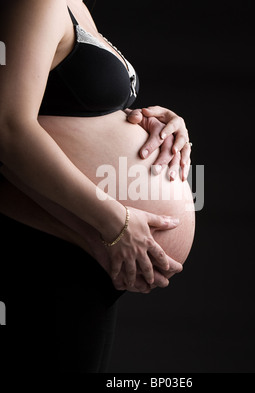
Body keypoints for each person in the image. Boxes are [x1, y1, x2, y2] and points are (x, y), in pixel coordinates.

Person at [0, 0, 195, 372]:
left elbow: (65, 103)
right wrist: (115, 222)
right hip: (47, 246)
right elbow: (7, 127)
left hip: (84, 251)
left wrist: (155, 120)